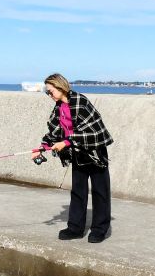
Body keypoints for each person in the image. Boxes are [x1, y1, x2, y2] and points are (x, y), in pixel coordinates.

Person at [31, 73, 114, 243]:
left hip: (95, 153)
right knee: (78, 192)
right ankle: (75, 228)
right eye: (47, 92)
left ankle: (99, 229)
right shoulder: (59, 108)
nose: (49, 95)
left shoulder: (80, 102)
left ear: (61, 88)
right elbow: (54, 133)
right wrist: (41, 148)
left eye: (50, 91)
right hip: (77, 153)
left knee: (100, 192)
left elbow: (93, 131)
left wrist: (67, 142)